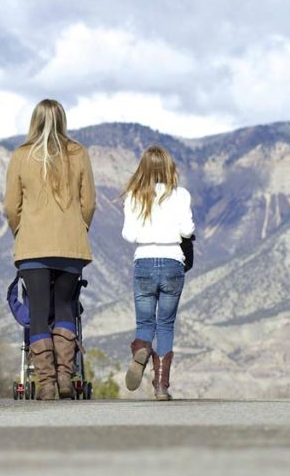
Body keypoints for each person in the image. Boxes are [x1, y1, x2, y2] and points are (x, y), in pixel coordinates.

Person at [4, 99, 96, 400]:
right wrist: (76, 228)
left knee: (39, 312)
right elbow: (89, 204)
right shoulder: (79, 154)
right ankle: (66, 377)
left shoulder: (21, 156)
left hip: (32, 247)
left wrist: (22, 230)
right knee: (66, 306)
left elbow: (10, 206)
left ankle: (46, 383)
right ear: (63, 120)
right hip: (71, 246)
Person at [121, 145, 195, 401]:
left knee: (145, 323)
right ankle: (161, 386)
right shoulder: (181, 195)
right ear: (168, 168)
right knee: (165, 324)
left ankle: (141, 349)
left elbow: (129, 234)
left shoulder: (134, 195)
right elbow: (187, 231)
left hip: (144, 260)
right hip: (173, 260)